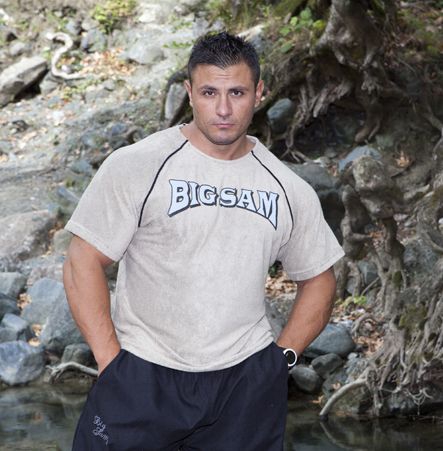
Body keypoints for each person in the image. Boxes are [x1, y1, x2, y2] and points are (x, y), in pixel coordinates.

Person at [63, 31, 345, 451]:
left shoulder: (287, 188)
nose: (224, 109)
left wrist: (280, 359)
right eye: (210, 92)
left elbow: (319, 277)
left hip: (244, 385)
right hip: (143, 374)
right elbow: (81, 260)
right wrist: (110, 362)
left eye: (237, 93)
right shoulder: (138, 166)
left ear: (259, 93)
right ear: (190, 92)